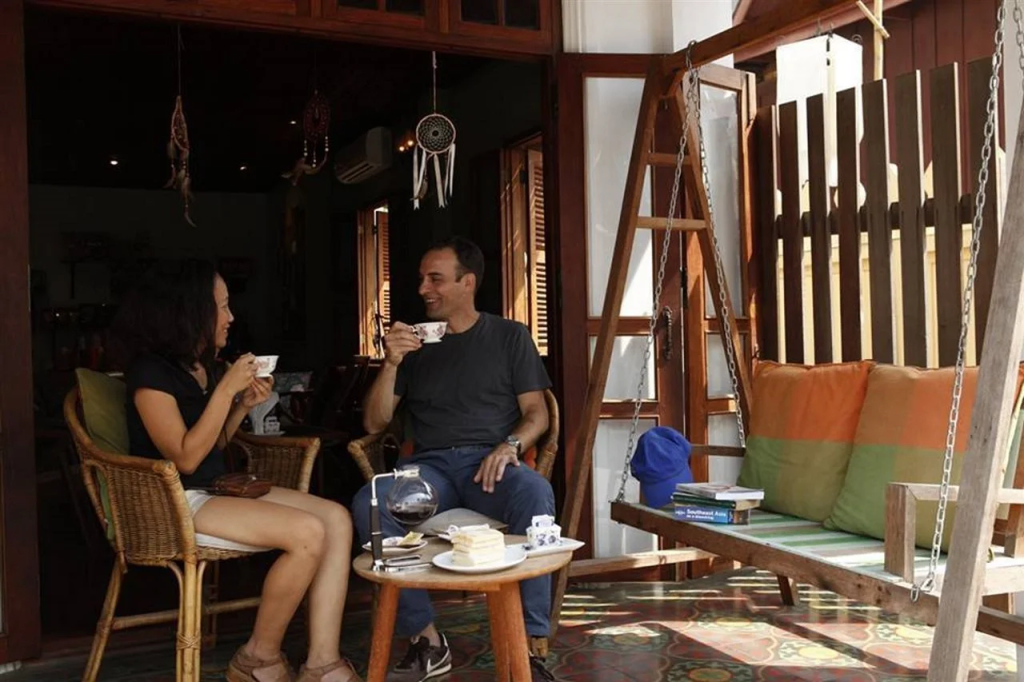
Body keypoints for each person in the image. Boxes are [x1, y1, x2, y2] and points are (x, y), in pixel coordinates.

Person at [113, 260, 361, 682]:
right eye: (223, 306)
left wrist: (242, 405)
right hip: (175, 500)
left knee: (336, 518)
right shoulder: (149, 374)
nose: (231, 317)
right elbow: (185, 458)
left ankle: (322, 662)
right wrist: (226, 388)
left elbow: (213, 444)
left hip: (216, 489)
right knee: (307, 533)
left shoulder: (199, 367)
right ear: (191, 310)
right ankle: (258, 657)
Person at [352, 237, 557, 682]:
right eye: (422, 279)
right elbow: (374, 422)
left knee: (535, 492)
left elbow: (537, 413)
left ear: (468, 283)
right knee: (371, 502)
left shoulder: (510, 337)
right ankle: (425, 638)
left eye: (435, 279)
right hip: (430, 471)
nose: (423, 289)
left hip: (491, 466)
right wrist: (391, 363)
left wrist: (509, 445)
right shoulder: (415, 346)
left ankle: (528, 644)